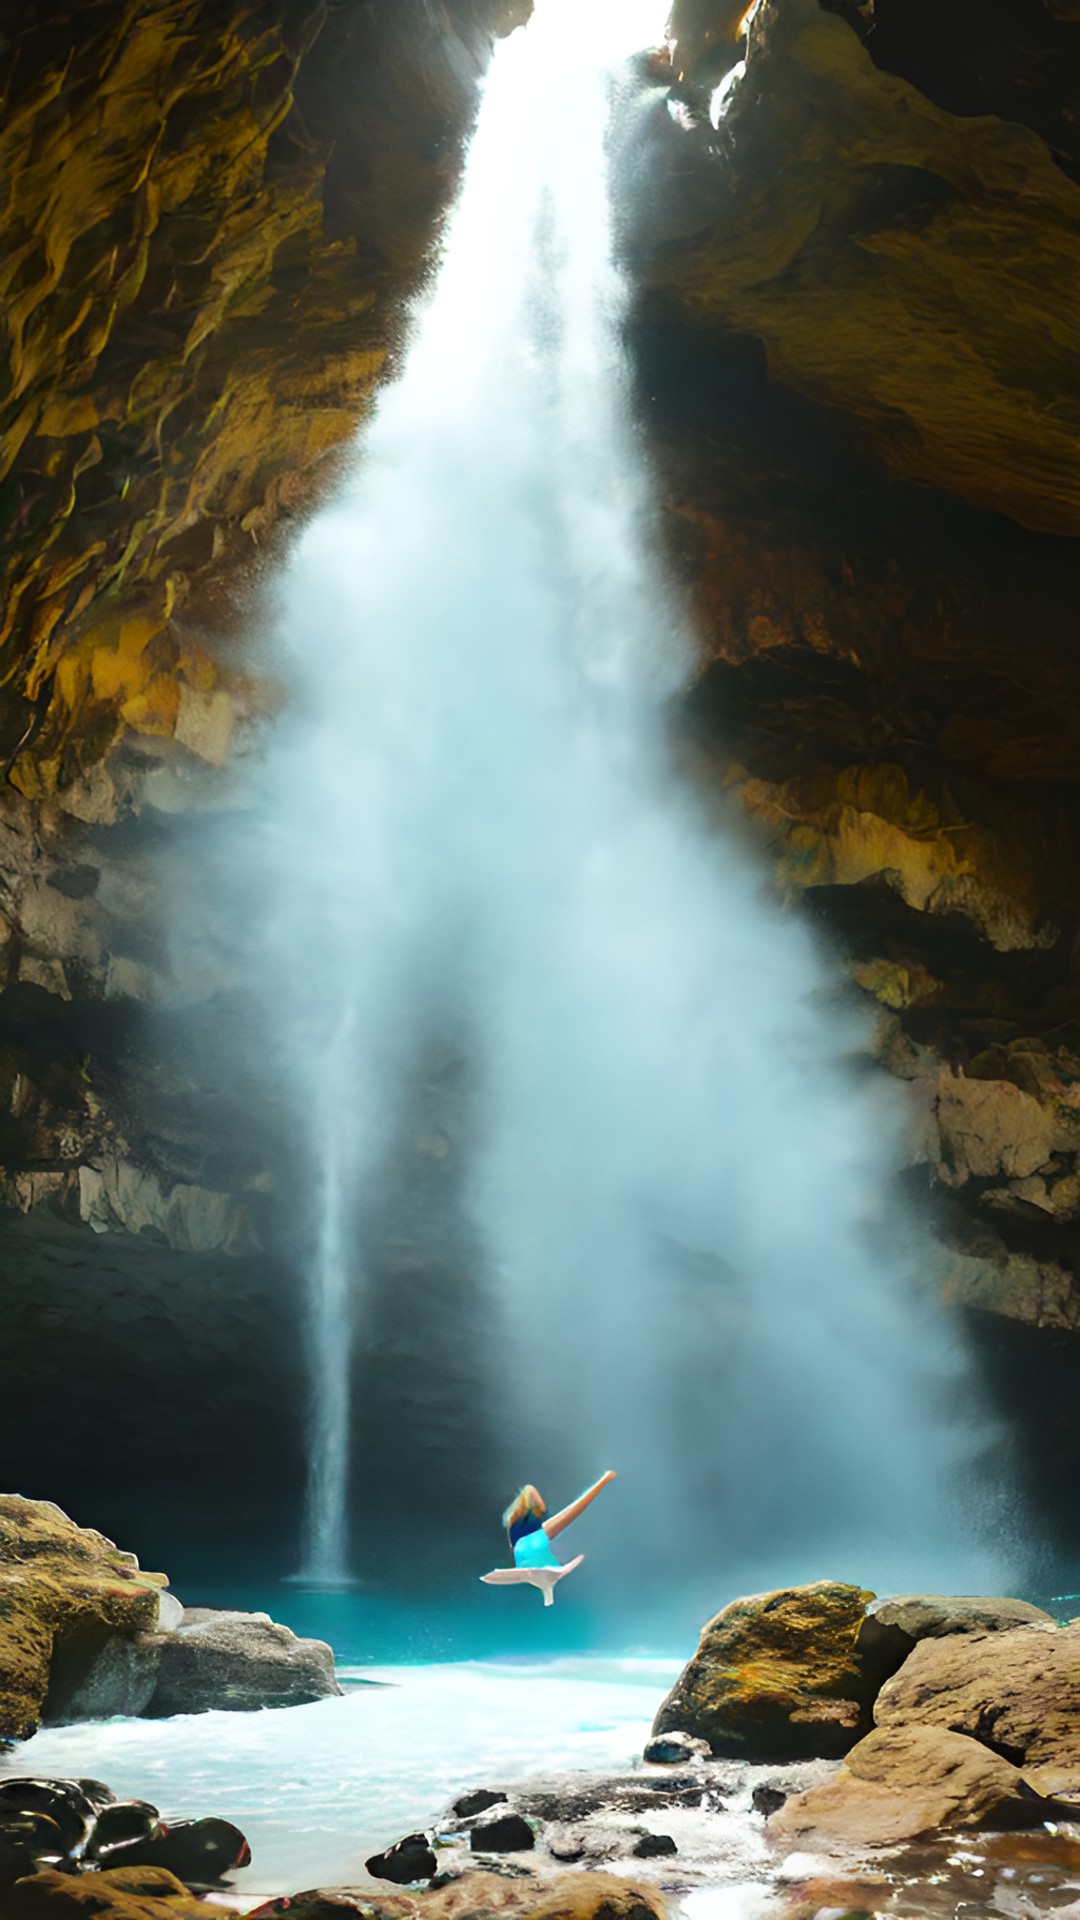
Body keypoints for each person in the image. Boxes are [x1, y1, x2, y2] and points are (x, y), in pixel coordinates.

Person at [479, 1471, 617, 1606]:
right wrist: (604, 1480)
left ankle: (546, 1583)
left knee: (536, 1560)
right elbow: (575, 1509)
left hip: (524, 1552)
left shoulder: (513, 1524)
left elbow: (515, 1547)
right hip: (530, 1548)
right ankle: (546, 1583)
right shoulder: (529, 1526)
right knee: (570, 1514)